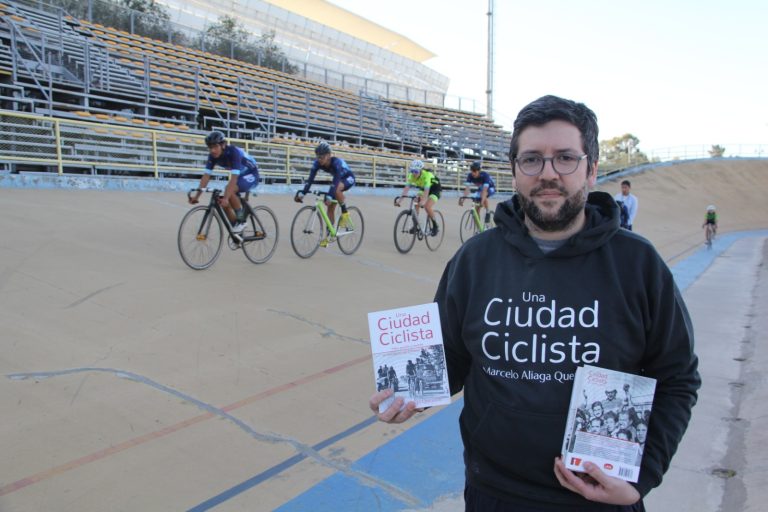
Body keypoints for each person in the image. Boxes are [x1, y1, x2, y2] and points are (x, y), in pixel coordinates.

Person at [369, 95, 700, 511]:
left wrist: (643, 477)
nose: (548, 173)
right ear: (514, 170)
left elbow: (678, 378)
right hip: (493, 493)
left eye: (565, 158)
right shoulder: (475, 260)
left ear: (592, 169)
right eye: (531, 159)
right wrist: (411, 394)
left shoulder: (638, 264)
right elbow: (452, 356)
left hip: (598, 497)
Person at [189, 131, 260, 233]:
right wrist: (197, 196)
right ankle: (237, 231)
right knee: (221, 201)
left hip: (251, 174)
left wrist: (227, 197)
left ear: (223, 145)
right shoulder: (212, 156)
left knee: (228, 192)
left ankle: (241, 221)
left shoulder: (233, 152)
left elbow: (234, 178)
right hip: (240, 175)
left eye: (215, 147)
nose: (212, 150)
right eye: (210, 147)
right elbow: (206, 176)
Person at [296, 141, 356, 246]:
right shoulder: (317, 163)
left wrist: (329, 195)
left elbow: (336, 180)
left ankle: (345, 214)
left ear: (328, 155)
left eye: (321, 157)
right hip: (338, 180)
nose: (319, 159)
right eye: (317, 157)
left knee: (336, 189)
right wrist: (303, 193)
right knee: (330, 209)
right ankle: (330, 235)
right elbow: (310, 180)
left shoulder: (336, 163)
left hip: (348, 178)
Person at [395, 159, 442, 236]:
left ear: (420, 170)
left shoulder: (427, 175)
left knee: (427, 206)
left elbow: (426, 192)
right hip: (424, 188)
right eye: (412, 171)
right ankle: (415, 225)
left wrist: (423, 201)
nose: (414, 173)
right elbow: (406, 189)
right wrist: (400, 200)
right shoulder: (411, 175)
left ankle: (435, 226)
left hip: (435, 189)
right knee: (416, 201)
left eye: (416, 171)